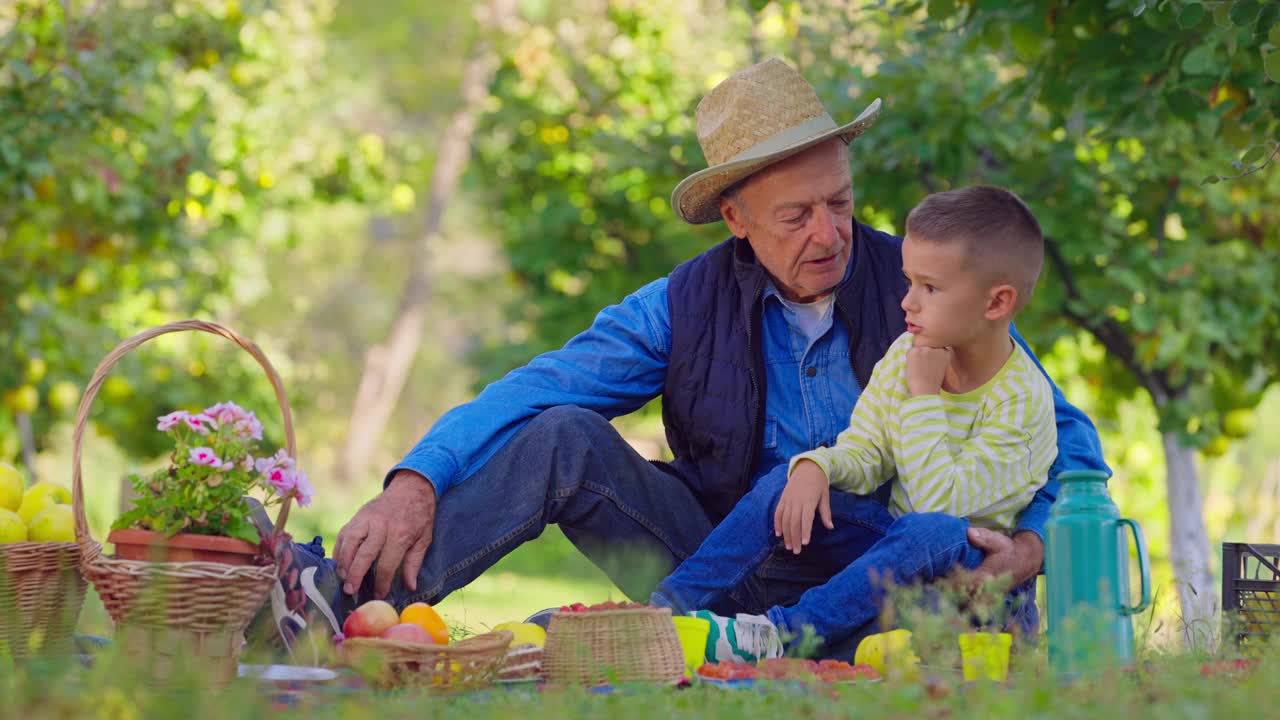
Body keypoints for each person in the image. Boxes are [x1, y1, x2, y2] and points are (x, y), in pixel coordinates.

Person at [258, 58, 1107, 658]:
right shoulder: (681, 304)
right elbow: (536, 388)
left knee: (921, 589)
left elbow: (1062, 436)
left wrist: (1030, 545)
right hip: (716, 565)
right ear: (735, 219)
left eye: (839, 203)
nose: (829, 233)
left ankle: (782, 643)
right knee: (561, 433)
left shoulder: (927, 288)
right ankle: (335, 609)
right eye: (795, 215)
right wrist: (417, 480)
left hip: (874, 573)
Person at [649, 185, 1058, 660]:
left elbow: (940, 507)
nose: (908, 302)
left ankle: (775, 637)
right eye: (909, 282)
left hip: (976, 578)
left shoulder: (1021, 400)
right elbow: (866, 452)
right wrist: (818, 467)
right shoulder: (908, 354)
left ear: (995, 304)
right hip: (901, 549)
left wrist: (924, 397)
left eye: (930, 288)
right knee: (790, 476)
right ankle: (660, 613)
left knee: (934, 530)